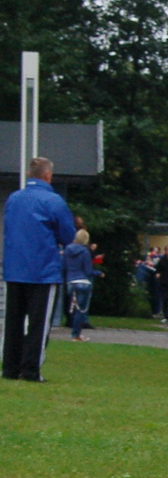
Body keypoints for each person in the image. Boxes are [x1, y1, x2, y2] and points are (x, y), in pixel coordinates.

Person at [3, 157, 77, 380]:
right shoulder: (53, 201)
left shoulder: (14, 199)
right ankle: (30, 369)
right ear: (48, 176)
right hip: (42, 270)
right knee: (38, 323)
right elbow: (67, 234)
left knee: (13, 321)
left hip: (15, 268)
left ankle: (10, 367)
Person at [62, 229, 103, 341]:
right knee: (80, 310)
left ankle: (74, 332)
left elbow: (64, 267)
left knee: (74, 308)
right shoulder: (85, 252)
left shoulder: (67, 250)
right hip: (83, 282)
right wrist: (98, 273)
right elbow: (88, 271)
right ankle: (76, 334)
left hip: (70, 281)